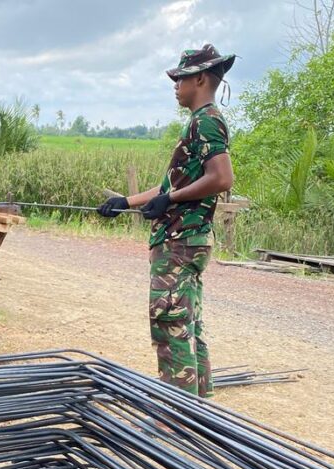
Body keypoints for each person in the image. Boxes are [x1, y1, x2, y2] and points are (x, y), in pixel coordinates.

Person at [97, 44, 236, 398]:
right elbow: (168, 187)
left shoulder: (206, 121)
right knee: (187, 325)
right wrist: (124, 202)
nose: (175, 85)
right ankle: (200, 409)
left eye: (180, 78)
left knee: (170, 325)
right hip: (187, 240)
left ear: (201, 79)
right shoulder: (200, 122)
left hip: (180, 243)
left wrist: (170, 200)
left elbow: (221, 178)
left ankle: (174, 416)